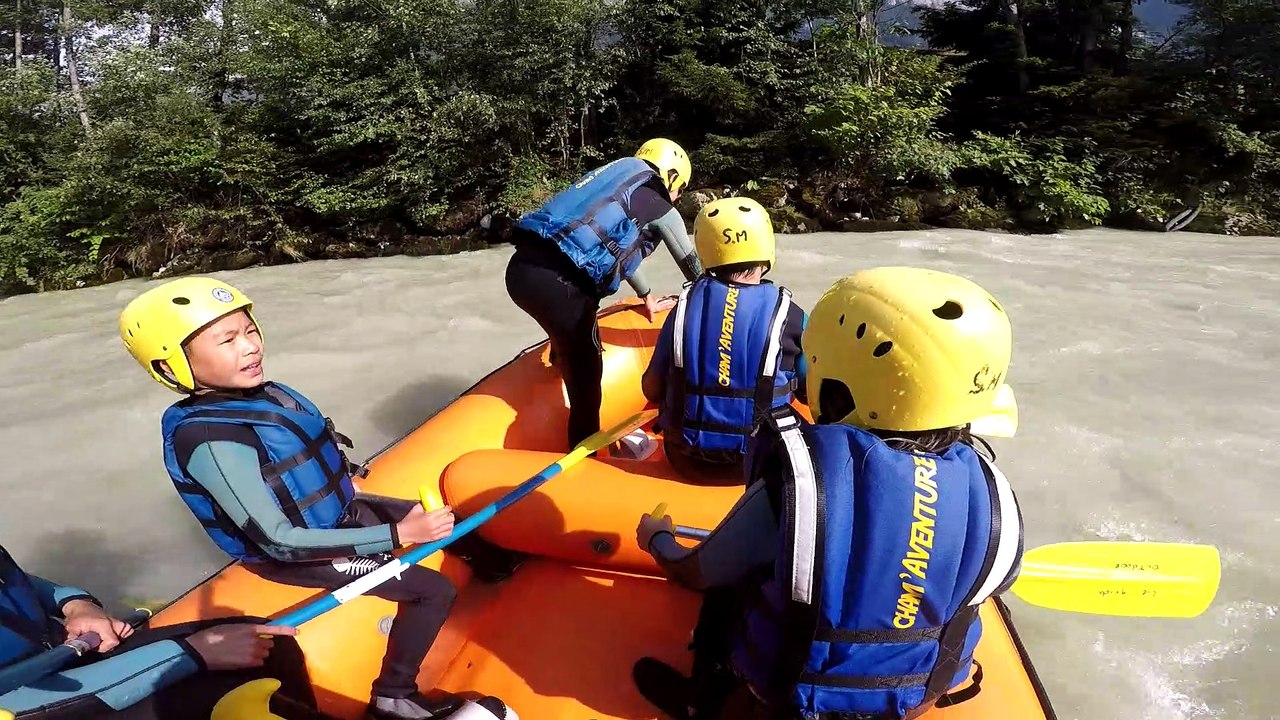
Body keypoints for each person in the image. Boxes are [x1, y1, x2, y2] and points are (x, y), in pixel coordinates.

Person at [118, 277, 522, 720]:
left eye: (250, 331)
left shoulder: (260, 395)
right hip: (298, 552)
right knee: (431, 591)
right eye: (227, 340)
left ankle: (497, 570)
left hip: (334, 514)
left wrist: (346, 480)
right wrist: (397, 535)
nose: (250, 347)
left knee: (441, 519)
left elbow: (294, 458)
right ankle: (394, 696)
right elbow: (280, 542)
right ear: (175, 365)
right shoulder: (212, 439)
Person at [632, 267, 1025, 720]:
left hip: (789, 694)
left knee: (733, 588)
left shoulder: (798, 484)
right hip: (909, 700)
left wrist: (657, 540)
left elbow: (701, 570)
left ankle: (700, 701)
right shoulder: (994, 494)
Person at [505, 138, 703, 451]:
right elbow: (693, 267)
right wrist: (719, 304)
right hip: (558, 287)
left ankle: (560, 358)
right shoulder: (659, 201)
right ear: (672, 176)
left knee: (568, 334)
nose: (676, 197)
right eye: (680, 188)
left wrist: (646, 294)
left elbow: (613, 248)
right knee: (587, 379)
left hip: (520, 271)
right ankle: (585, 455)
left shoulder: (616, 179)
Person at [0, 542, 328, 719]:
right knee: (219, 694)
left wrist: (77, 605)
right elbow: (23, 706)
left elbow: (18, 579)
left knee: (264, 640)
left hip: (68, 660)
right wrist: (190, 654)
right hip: (47, 706)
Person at [641, 197, 807, 485]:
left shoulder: (682, 306)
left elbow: (651, 388)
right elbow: (809, 394)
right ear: (766, 248)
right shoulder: (791, 315)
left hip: (684, 459)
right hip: (759, 463)